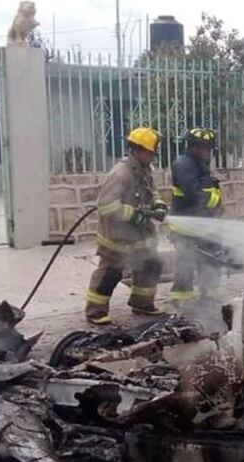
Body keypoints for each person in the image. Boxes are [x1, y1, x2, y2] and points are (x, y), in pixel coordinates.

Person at [84, 127, 168, 325]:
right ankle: (95, 311)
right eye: (150, 153)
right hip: (118, 235)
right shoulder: (121, 174)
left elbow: (151, 191)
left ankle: (142, 303)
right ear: (137, 150)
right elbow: (106, 206)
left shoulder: (144, 169)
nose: (152, 157)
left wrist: (159, 204)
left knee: (151, 264)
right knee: (111, 272)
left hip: (140, 234)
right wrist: (135, 214)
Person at [167, 127, 223, 313]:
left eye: (210, 148)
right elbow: (194, 195)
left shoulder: (200, 164)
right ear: (193, 147)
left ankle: (209, 296)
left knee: (210, 259)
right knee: (186, 263)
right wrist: (214, 198)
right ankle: (181, 301)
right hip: (187, 228)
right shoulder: (183, 165)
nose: (208, 152)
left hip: (204, 226)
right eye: (204, 148)